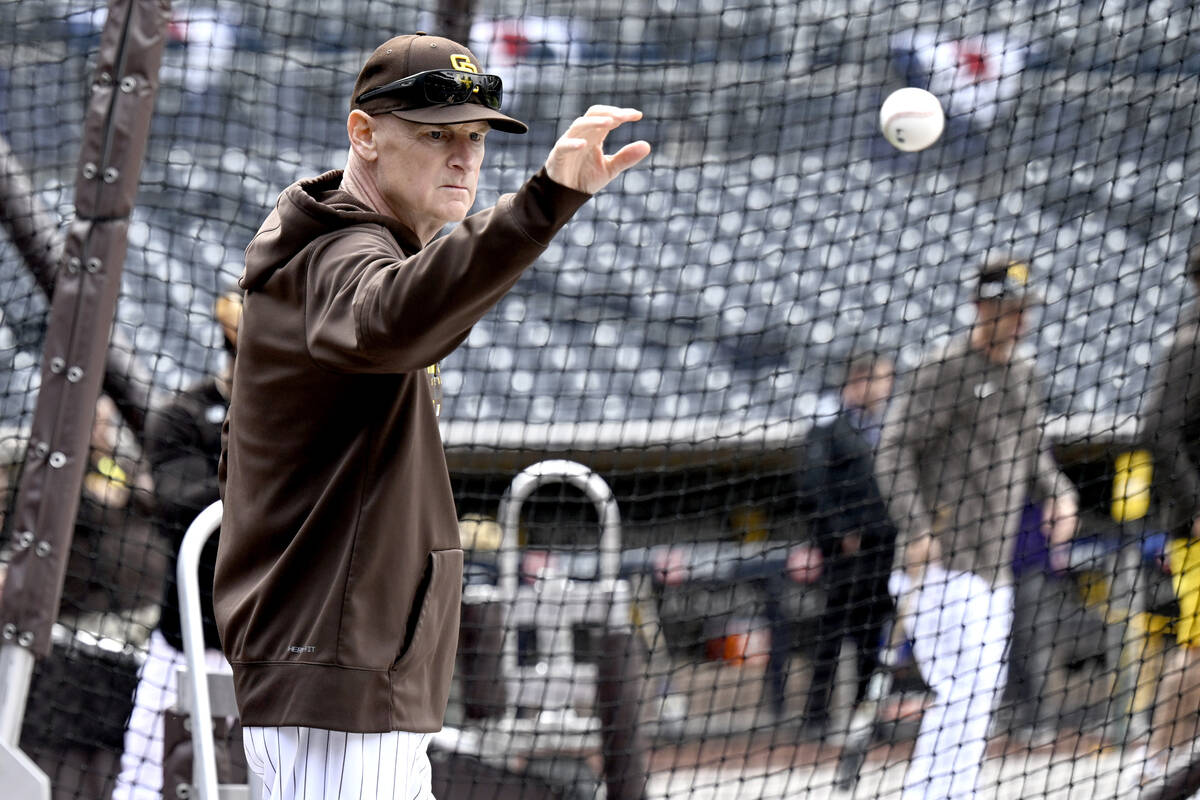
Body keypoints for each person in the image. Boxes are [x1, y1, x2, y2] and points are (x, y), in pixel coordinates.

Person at [213, 32, 650, 800]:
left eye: (476, 137)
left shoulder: (346, 246)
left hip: (341, 672)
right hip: (336, 680)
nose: (464, 156)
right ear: (364, 133)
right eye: (435, 133)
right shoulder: (336, 253)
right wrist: (544, 201)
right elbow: (393, 318)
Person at [874, 256, 1080, 800]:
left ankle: (949, 790)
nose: (1019, 321)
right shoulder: (944, 369)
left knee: (979, 692)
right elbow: (892, 451)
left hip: (994, 567)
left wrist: (1060, 492)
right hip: (939, 563)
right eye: (1009, 310)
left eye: (1023, 310)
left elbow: (1035, 457)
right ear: (980, 308)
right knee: (964, 688)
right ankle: (932, 793)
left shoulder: (1024, 375)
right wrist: (916, 528)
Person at [112, 291, 242, 800]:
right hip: (191, 639)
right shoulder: (182, 415)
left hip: (280, 640)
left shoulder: (300, 419)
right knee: (148, 780)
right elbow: (179, 502)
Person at [791, 351, 897, 738]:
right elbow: (813, 486)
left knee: (873, 633)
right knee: (831, 633)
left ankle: (866, 715)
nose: (886, 387)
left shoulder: (887, 429)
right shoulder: (829, 430)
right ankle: (815, 717)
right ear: (858, 382)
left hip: (883, 547)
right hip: (844, 552)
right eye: (880, 378)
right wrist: (841, 531)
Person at [1133, 231, 1200, 789]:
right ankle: (1155, 764)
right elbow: (1157, 429)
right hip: (1197, 530)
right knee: (1198, 650)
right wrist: (1195, 503)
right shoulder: (1189, 343)